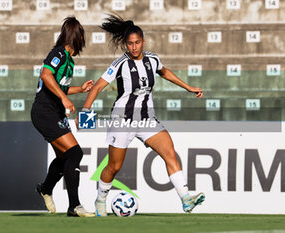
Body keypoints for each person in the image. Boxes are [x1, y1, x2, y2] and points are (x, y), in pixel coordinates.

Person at [77, 14, 205, 216]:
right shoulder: (120, 63)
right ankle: (101, 199)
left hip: (147, 120)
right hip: (122, 120)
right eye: (130, 44)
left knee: (169, 152)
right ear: (126, 45)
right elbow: (98, 86)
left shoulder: (152, 59)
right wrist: (85, 109)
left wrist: (188, 87)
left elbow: (165, 72)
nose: (134, 47)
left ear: (143, 42)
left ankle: (186, 198)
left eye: (137, 43)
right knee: (114, 166)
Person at [31, 16, 95, 217]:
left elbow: (60, 87)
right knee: (75, 153)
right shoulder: (58, 53)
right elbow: (46, 76)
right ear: (76, 36)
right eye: (82, 35)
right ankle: (74, 206)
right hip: (44, 112)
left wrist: (80, 90)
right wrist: (65, 100)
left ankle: (46, 188)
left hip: (54, 113)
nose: (83, 40)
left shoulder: (69, 60)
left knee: (65, 157)